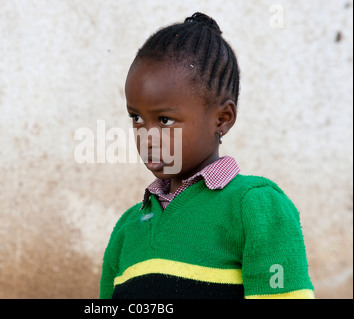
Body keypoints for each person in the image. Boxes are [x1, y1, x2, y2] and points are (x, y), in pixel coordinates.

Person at [99, 12, 314, 299]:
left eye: (164, 120)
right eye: (136, 118)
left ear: (222, 119)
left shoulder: (255, 207)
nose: (147, 136)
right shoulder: (127, 229)